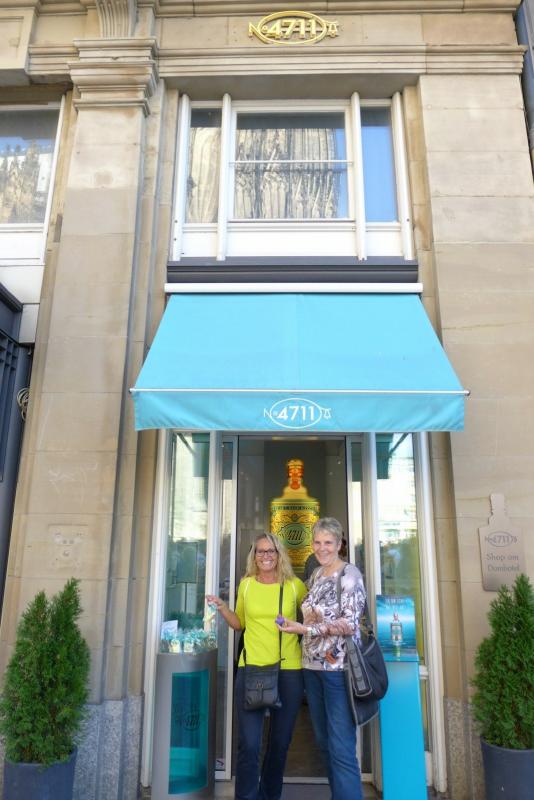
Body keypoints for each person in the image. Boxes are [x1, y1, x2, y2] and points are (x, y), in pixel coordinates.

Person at [206, 533, 306, 800]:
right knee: (249, 744)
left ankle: (269, 795)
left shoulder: (294, 586)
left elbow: (312, 618)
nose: (266, 556)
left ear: (279, 554)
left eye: (271, 551)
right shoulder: (247, 585)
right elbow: (239, 623)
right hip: (251, 669)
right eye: (260, 551)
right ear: (254, 556)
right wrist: (223, 608)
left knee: (280, 744)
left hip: (288, 670)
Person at [277, 518, 366, 800]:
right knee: (324, 743)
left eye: (328, 542)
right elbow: (312, 614)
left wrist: (307, 630)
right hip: (311, 667)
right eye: (317, 542)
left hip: (337, 670)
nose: (322, 548)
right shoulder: (315, 574)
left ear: (339, 544)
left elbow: (350, 623)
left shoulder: (349, 575)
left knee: (341, 746)